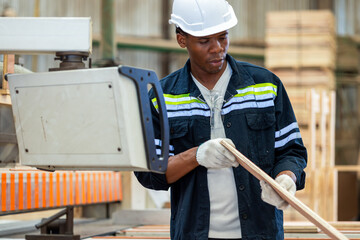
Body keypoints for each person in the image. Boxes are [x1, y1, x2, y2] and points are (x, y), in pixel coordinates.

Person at [135, 0, 307, 239]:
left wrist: (285, 178)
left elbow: (292, 151)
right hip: (195, 233)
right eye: (204, 41)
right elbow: (150, 174)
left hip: (260, 232)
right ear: (182, 39)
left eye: (223, 37)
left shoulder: (266, 87)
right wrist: (195, 156)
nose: (217, 48)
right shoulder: (162, 98)